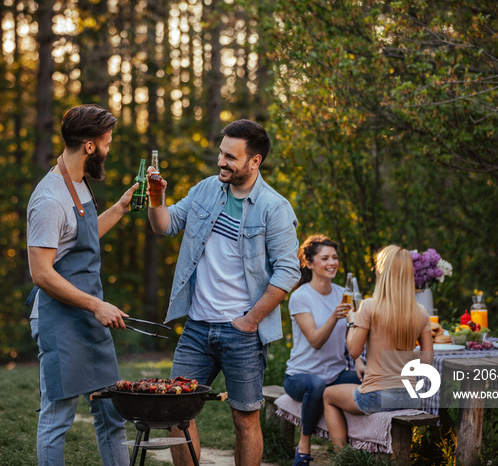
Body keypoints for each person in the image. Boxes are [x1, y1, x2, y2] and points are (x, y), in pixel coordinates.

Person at [147, 119, 301, 465]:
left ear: (254, 161)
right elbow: (165, 225)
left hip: (241, 332)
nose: (221, 161)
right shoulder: (205, 190)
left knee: (245, 419)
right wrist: (156, 196)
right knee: (175, 412)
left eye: (231, 156)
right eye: (221, 153)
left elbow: (289, 272)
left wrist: (249, 322)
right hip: (197, 327)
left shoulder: (274, 208)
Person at [25, 104, 138, 465]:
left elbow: (81, 237)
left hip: (90, 315)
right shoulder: (49, 199)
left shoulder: (79, 183)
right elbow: (42, 273)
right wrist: (95, 304)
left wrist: (120, 207)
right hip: (59, 318)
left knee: (110, 414)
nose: (109, 149)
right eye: (106, 142)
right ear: (90, 146)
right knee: (58, 416)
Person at [322, 245, 433, 450]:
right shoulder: (421, 311)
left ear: (382, 272)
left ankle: (343, 458)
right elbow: (427, 360)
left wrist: (351, 322)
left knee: (328, 395)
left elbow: (354, 352)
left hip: (377, 395)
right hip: (411, 397)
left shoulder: (369, 306)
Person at [284, 234, 364, 465]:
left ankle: (352, 449)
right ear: (309, 263)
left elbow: (353, 331)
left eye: (335, 257)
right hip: (301, 376)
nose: (332, 263)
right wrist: (333, 316)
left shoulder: (343, 293)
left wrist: (358, 360)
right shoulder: (300, 297)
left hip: (336, 374)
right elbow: (315, 340)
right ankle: (304, 445)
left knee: (371, 380)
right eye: (325, 258)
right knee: (316, 385)